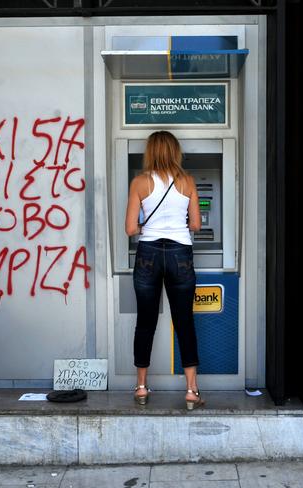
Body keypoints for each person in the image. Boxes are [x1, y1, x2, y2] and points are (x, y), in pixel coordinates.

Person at [125, 131, 204, 410]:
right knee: (184, 322)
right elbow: (195, 224)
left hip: (148, 254)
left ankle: (142, 387)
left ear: (150, 152)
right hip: (180, 253)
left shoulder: (140, 182)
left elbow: (131, 229)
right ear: (175, 151)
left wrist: (150, 226)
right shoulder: (188, 181)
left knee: (145, 322)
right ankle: (192, 391)